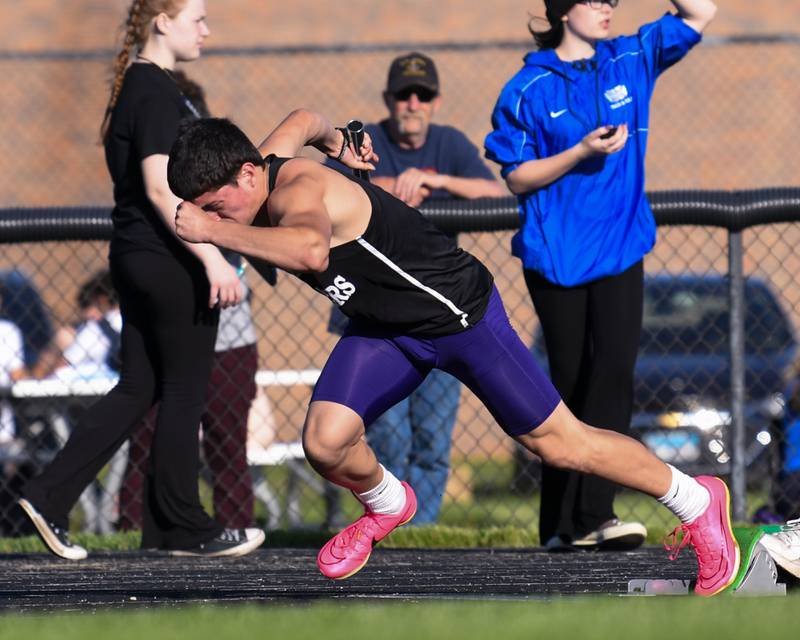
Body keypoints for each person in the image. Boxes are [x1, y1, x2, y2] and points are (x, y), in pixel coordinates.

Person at [166, 108, 738, 596]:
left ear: (247, 175)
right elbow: (302, 119)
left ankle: (696, 500)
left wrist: (214, 234)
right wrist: (337, 139)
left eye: (217, 207)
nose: (212, 219)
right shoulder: (260, 164)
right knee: (324, 442)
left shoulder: (297, 192)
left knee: (562, 445)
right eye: (205, 212)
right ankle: (388, 502)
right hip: (388, 328)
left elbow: (312, 251)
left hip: (460, 318)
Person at [17, 0, 264, 560]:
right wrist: (210, 258)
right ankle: (185, 526)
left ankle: (49, 495)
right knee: (184, 389)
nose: (207, 29)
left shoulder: (147, 87)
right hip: (166, 257)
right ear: (162, 21)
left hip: (137, 255)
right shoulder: (151, 90)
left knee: (140, 387)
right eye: (196, 18)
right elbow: (159, 189)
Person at [484, 0, 717, 551]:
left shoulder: (631, 56)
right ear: (564, 12)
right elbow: (517, 177)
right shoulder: (528, 86)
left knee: (613, 372)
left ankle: (595, 515)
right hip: (557, 257)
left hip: (620, 248)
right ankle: (557, 526)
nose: (608, 7)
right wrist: (579, 151)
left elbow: (701, 12)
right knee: (567, 385)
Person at [326, 52, 506, 525]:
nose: (412, 103)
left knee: (431, 434)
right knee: (386, 434)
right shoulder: (367, 142)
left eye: (422, 95)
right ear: (388, 100)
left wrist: (434, 179)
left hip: (442, 313)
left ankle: (416, 530)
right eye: (403, 94)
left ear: (435, 101)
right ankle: (384, 519)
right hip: (376, 315)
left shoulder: (448, 144)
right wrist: (386, 185)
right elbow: (322, 187)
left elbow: (497, 194)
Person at [117, 70, 260, 532]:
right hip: (175, 327)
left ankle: (234, 530)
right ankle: (138, 529)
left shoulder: (215, 173)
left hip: (228, 331)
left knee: (227, 446)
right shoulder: (157, 186)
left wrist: (220, 255)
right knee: (148, 438)